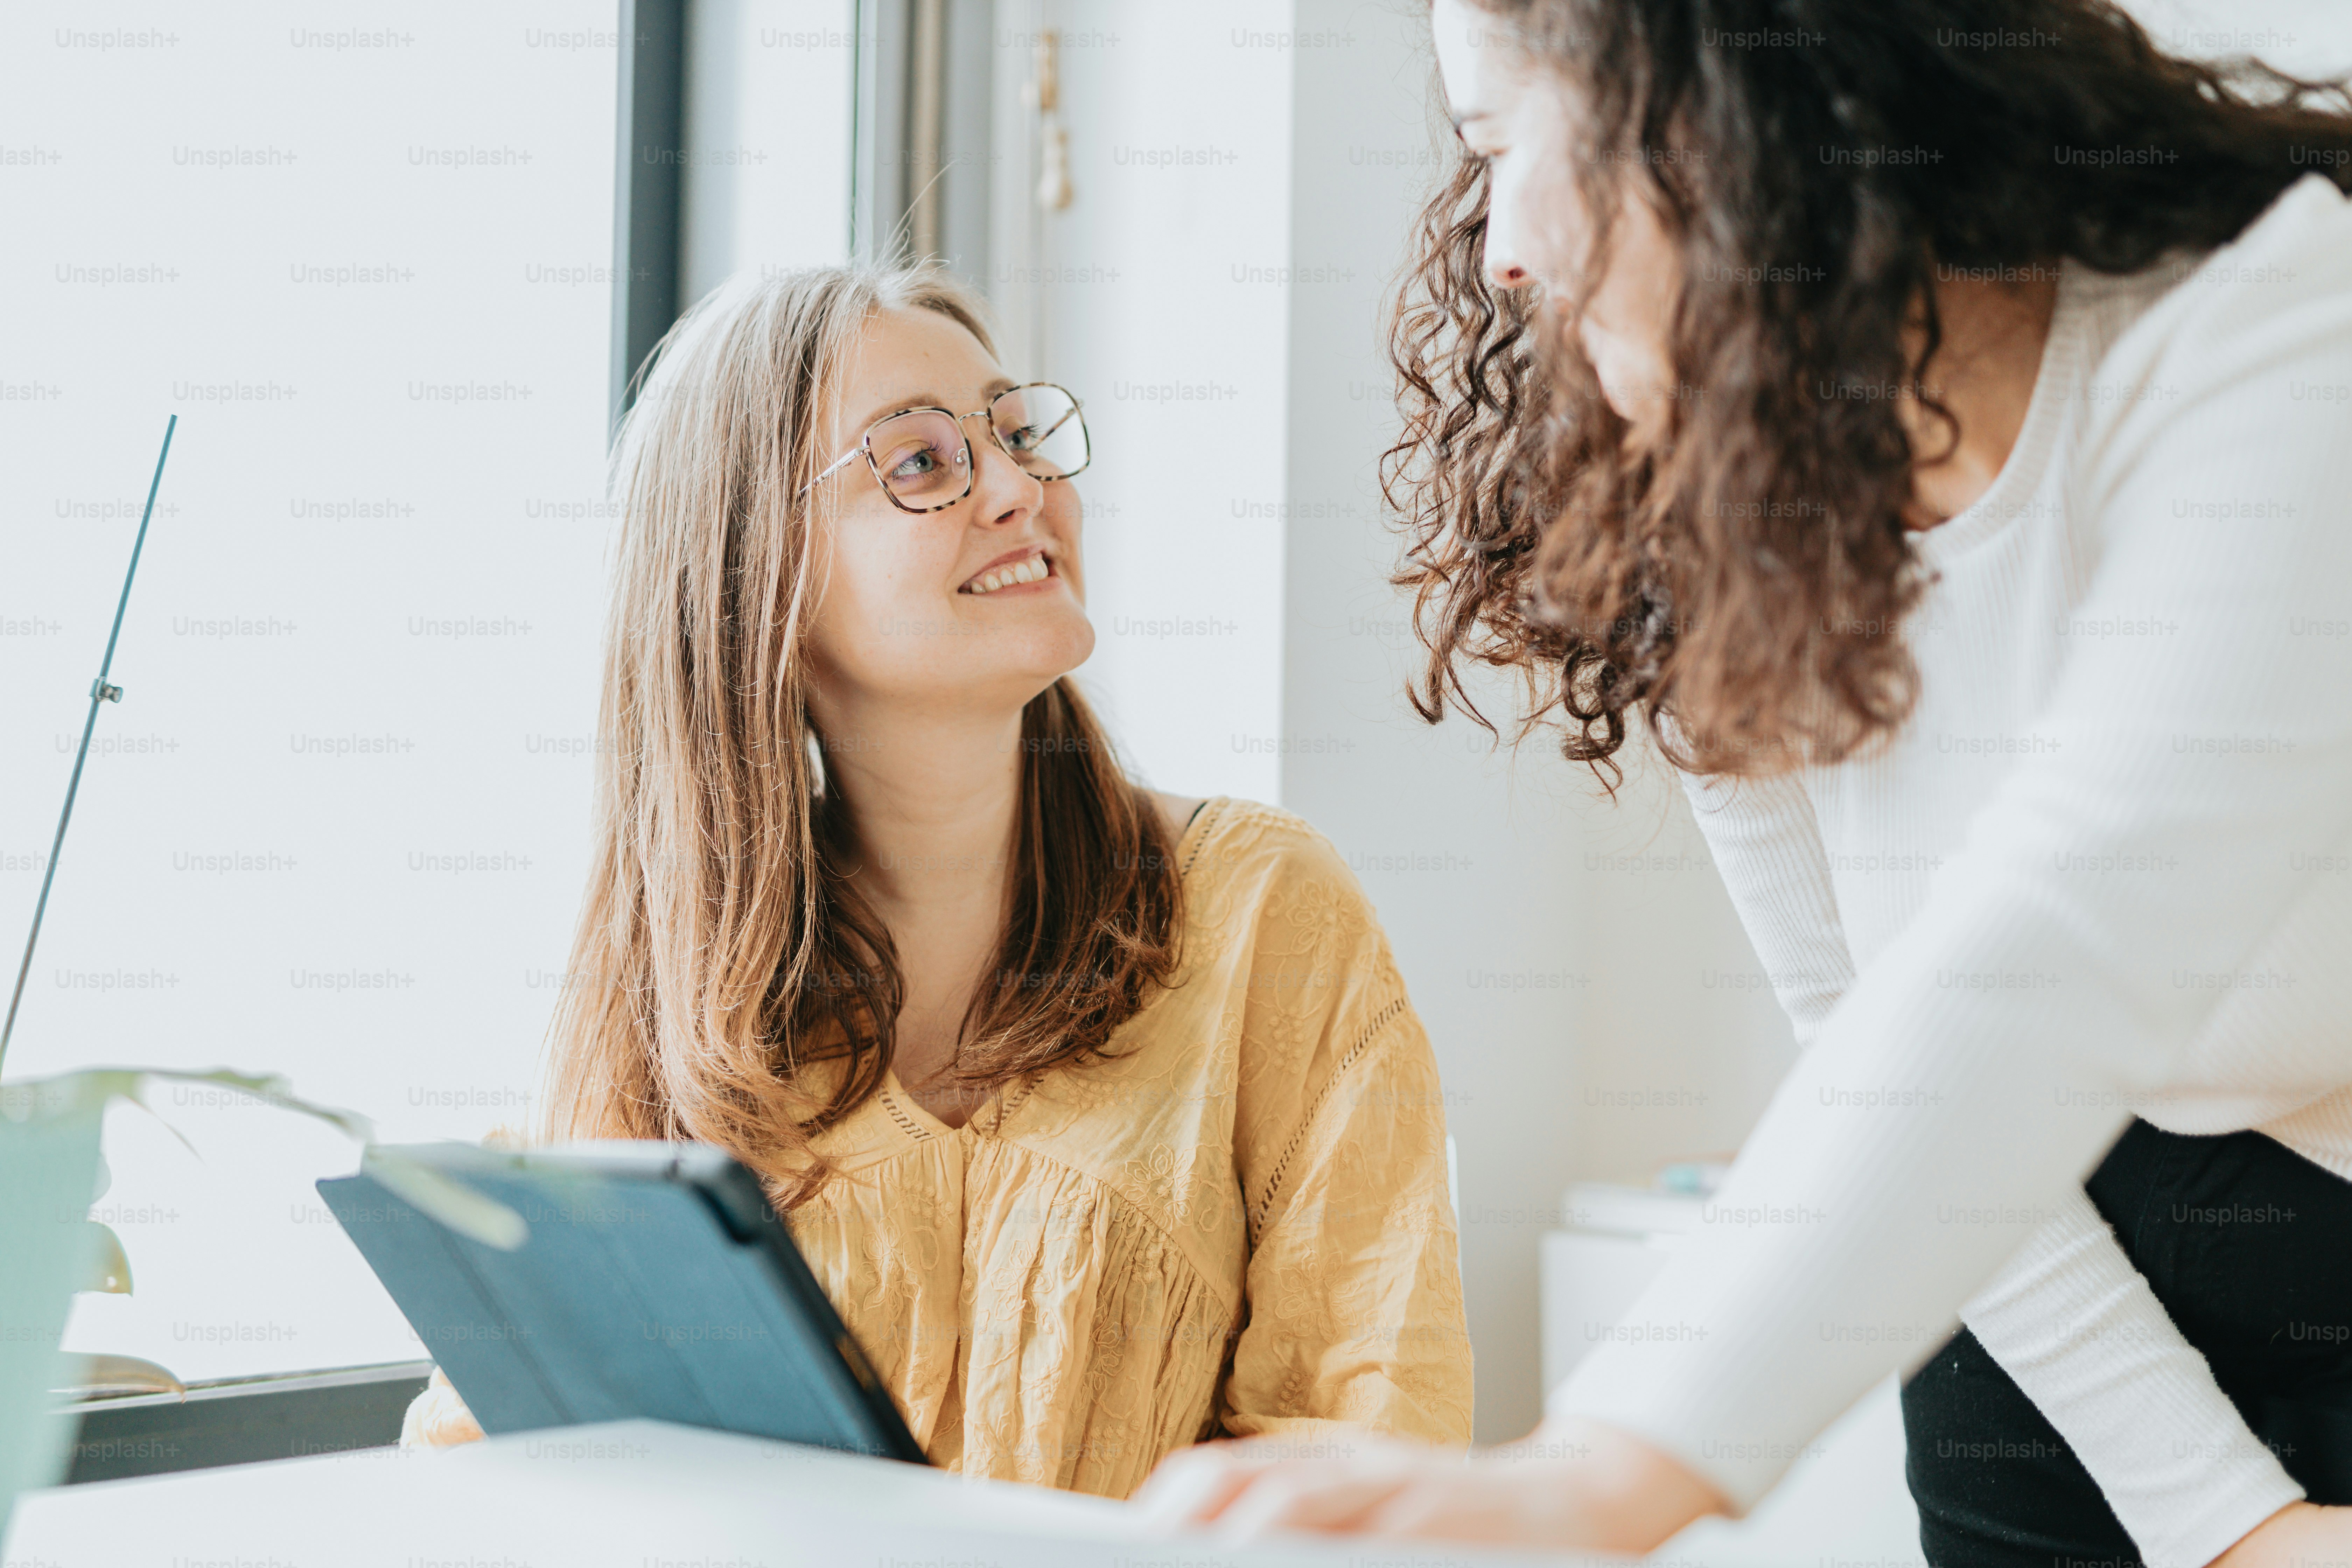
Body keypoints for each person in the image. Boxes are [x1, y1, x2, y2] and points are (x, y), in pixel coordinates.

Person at [1136, 0, 2352, 1560]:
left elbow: (2068, 935)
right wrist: (2223, 1522)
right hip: (2041, 1267)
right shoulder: (1726, 530)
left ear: (1730, 106)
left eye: (1510, 145)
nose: (1496, 250)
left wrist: (1588, 1479)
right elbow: (1886, 1040)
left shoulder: (2274, 340)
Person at [398, 263, 1474, 1495]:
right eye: (919, 463)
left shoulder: (1269, 912)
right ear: (761, 580)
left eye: (1018, 436)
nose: (1023, 490)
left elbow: (1371, 1449)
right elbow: (498, 1463)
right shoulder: (666, 995)